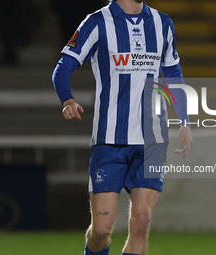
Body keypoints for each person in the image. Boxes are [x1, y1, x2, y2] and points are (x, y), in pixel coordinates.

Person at [52, 0, 193, 254]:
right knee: (102, 230)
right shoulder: (97, 22)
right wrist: (67, 99)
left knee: (142, 221)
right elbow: (63, 66)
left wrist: (185, 121)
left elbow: (173, 73)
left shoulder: (163, 23)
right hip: (109, 142)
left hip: (152, 141)